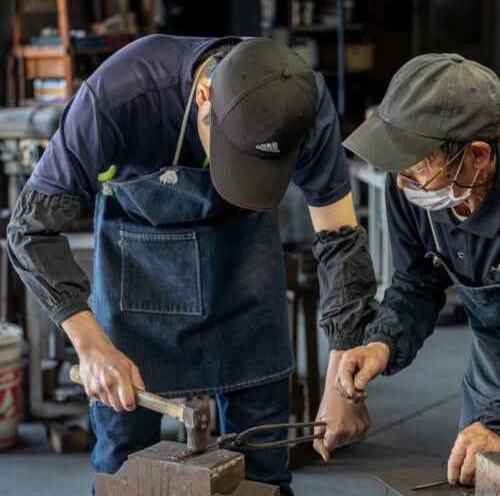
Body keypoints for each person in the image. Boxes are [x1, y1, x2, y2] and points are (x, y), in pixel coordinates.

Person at [7, 35, 377, 494]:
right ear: (204, 95)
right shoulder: (119, 96)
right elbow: (29, 231)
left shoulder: (300, 101)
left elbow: (340, 242)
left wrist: (343, 376)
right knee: (126, 472)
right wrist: (91, 346)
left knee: (264, 477)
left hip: (245, 278)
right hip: (134, 291)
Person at [337, 53, 500, 487]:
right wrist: (381, 343)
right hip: (491, 367)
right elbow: (416, 282)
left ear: (477, 155)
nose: (401, 182)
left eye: (417, 167)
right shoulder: (410, 187)